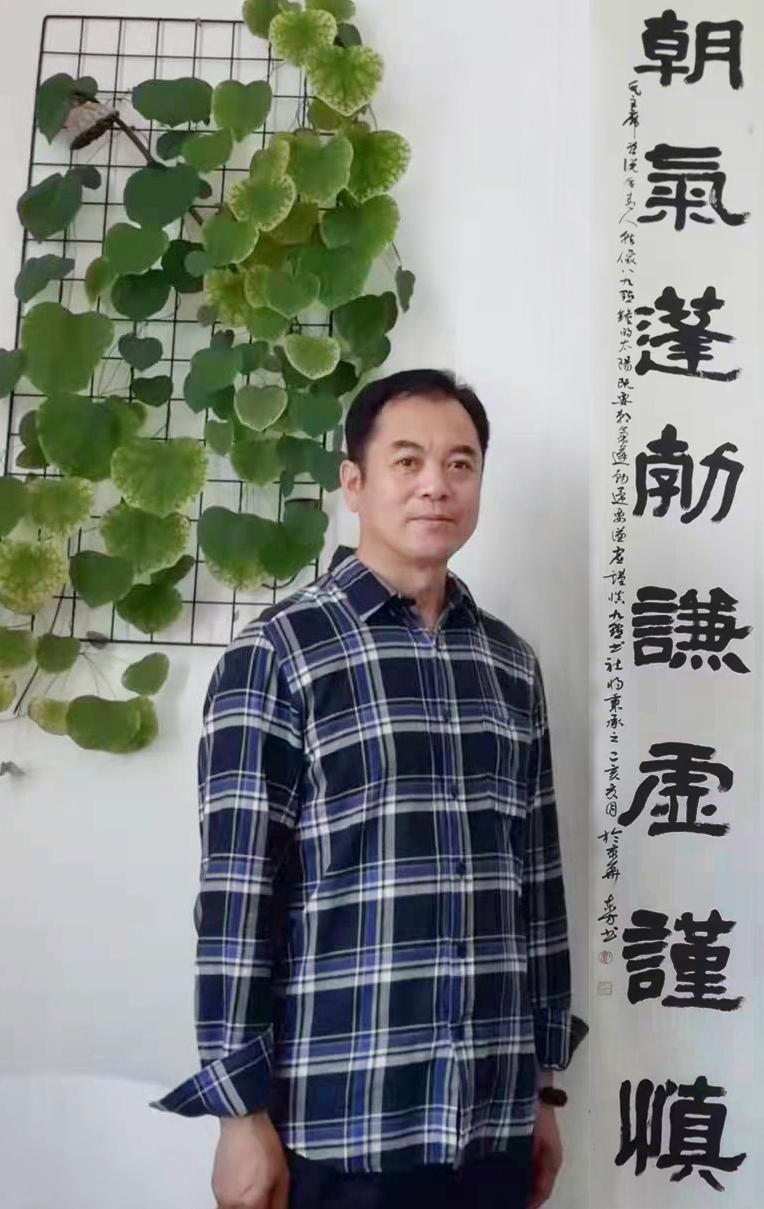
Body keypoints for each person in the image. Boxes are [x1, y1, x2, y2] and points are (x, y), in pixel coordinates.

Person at [151, 369, 587, 1209]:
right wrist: (239, 1114)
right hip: (345, 1128)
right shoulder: (278, 655)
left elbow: (537, 886)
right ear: (353, 482)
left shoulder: (508, 664)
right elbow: (238, 898)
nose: (436, 485)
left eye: (460, 464)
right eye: (408, 460)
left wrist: (543, 1091)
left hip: (492, 1122)